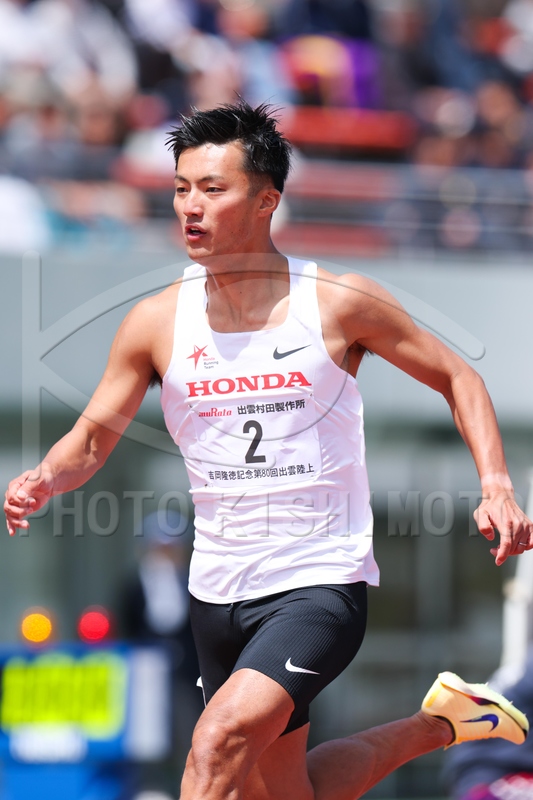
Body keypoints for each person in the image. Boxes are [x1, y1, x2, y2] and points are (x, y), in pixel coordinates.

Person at [4, 100, 533, 800]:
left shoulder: (337, 302)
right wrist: (47, 474)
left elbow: (457, 376)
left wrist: (495, 485)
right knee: (282, 793)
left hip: (317, 581)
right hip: (216, 591)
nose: (190, 207)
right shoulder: (155, 321)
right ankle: (445, 723)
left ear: (266, 200)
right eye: (181, 189)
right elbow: (93, 437)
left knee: (214, 745)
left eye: (212, 189)